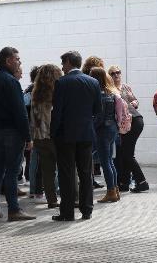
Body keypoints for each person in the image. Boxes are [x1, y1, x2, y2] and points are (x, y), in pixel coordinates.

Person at [0, 47, 35, 222]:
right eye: (17, 59)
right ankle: (14, 209)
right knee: (12, 172)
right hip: (13, 132)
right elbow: (20, 111)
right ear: (8, 61)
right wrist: (28, 137)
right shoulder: (11, 81)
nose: (20, 62)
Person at [51, 51, 102, 221]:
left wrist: (53, 133)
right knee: (86, 172)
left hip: (65, 134)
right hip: (86, 134)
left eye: (63, 63)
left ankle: (67, 212)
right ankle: (87, 210)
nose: (62, 67)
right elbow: (97, 110)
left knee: (67, 174)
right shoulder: (93, 82)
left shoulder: (62, 82)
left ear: (68, 62)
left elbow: (57, 112)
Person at [109, 65, 149, 193]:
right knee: (124, 153)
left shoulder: (124, 87)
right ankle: (124, 183)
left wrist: (134, 103)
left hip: (132, 121)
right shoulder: (110, 89)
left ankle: (142, 182)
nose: (116, 75)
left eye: (118, 72)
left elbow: (134, 100)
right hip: (127, 123)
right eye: (113, 73)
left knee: (127, 154)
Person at [90, 67, 126, 203]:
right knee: (110, 161)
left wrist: (91, 127)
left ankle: (111, 191)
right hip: (112, 129)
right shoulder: (110, 93)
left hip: (103, 131)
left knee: (105, 162)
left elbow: (98, 117)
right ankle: (115, 190)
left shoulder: (99, 95)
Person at [31, 64, 63, 208]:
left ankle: (52, 200)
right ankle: (72, 197)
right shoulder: (57, 93)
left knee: (47, 171)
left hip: (39, 137)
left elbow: (32, 118)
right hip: (54, 137)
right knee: (65, 168)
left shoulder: (36, 94)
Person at [81, 55, 106, 189]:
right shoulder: (92, 81)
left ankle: (90, 179)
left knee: (89, 154)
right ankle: (89, 180)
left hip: (87, 119)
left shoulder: (84, 78)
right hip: (91, 120)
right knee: (88, 153)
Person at [25, 66, 43, 198]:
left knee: (33, 160)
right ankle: (35, 189)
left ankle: (33, 189)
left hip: (32, 128)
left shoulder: (28, 91)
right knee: (36, 159)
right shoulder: (37, 91)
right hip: (37, 129)